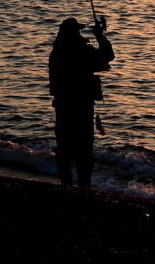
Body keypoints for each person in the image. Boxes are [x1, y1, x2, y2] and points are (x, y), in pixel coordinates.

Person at [48, 17, 115, 187]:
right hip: (82, 106)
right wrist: (99, 35)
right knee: (83, 151)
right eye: (77, 30)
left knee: (64, 149)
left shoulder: (57, 52)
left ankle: (66, 186)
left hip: (63, 106)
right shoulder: (80, 51)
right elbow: (108, 55)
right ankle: (84, 187)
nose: (79, 33)